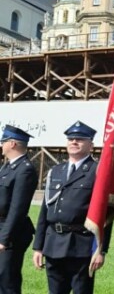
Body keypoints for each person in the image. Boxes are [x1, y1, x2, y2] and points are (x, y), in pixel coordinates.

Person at [32, 121, 112, 294]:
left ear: (91, 144)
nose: (74, 142)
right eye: (71, 138)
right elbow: (45, 211)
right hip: (53, 243)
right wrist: (38, 247)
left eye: (80, 139)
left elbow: (106, 215)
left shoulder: (97, 171)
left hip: (80, 245)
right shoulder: (56, 171)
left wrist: (101, 250)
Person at [0, 125, 38, 294]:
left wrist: (4, 239)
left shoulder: (25, 170)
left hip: (12, 236)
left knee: (7, 280)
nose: (1, 145)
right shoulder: (7, 167)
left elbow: (17, 208)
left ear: (12, 144)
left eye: (3, 142)